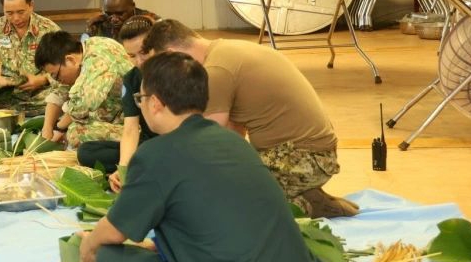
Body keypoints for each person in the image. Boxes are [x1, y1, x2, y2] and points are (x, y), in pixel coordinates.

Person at [79, 52, 325, 262]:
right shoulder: (234, 142)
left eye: (140, 99)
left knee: (108, 258)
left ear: (155, 103)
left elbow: (115, 231)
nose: (141, 105)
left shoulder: (155, 155)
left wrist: (89, 245)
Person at [142, 18, 356, 218]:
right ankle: (302, 195)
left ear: (172, 53)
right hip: (308, 154)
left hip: (303, 157)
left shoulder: (216, 70)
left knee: (223, 203)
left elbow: (207, 143)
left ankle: (305, 205)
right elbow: (233, 133)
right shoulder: (226, 50)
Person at [74, 15, 157, 183]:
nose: (140, 61)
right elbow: (130, 129)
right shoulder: (132, 79)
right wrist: (123, 169)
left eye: (144, 52)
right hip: (147, 146)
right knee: (86, 152)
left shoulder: (175, 72)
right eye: (132, 55)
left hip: (175, 145)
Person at [33, 30, 132, 153]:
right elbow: (58, 93)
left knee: (76, 133)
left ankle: (135, 148)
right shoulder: (81, 55)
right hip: (113, 117)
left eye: (56, 75)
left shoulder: (98, 55)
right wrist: (47, 129)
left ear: (70, 60)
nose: (57, 80)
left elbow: (84, 105)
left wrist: (59, 128)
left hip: (132, 124)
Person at [85, 0, 158, 40]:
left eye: (120, 14)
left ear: (132, 6)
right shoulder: (97, 25)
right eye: (108, 14)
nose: (114, 19)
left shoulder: (151, 23)